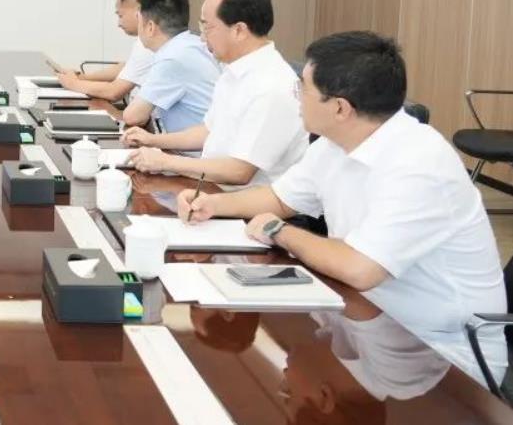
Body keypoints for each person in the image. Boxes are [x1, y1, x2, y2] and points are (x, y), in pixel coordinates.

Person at [178, 31, 507, 383]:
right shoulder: (335, 142)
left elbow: (359, 268)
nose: (296, 97)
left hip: (442, 358)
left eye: (302, 89)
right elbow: (280, 198)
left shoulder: (420, 163)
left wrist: (279, 231)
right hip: (364, 317)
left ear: (340, 108)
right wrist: (212, 203)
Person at [125, 0, 307, 189]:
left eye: (207, 28)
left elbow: (239, 171)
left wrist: (165, 162)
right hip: (212, 188)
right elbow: (209, 131)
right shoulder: (233, 71)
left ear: (239, 30)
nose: (202, 38)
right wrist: (152, 140)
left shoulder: (271, 86)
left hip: (242, 203)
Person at [117, 0, 218, 133]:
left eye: (139, 21)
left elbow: (133, 116)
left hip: (197, 146)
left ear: (150, 27)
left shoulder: (172, 58)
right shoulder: (193, 44)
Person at [54, 0, 153, 101]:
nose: (118, 23)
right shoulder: (144, 41)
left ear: (139, 12)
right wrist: (82, 78)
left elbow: (113, 92)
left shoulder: (148, 46)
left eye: (120, 15)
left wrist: (73, 84)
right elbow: (126, 67)